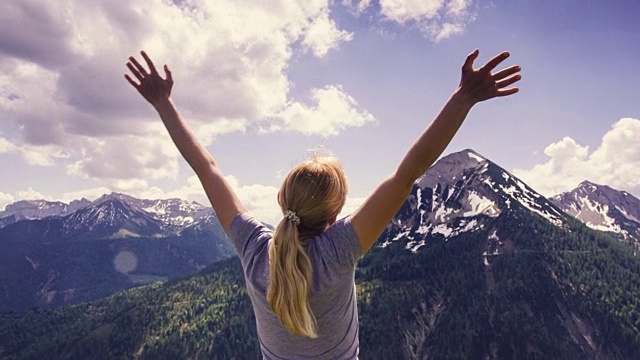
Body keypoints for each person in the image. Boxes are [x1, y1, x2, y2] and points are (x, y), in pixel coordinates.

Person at [125, 49, 521, 359]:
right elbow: (409, 173)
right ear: (336, 213)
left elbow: (207, 169)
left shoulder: (255, 250)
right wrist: (463, 99)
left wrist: (163, 103)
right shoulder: (340, 251)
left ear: (281, 200)